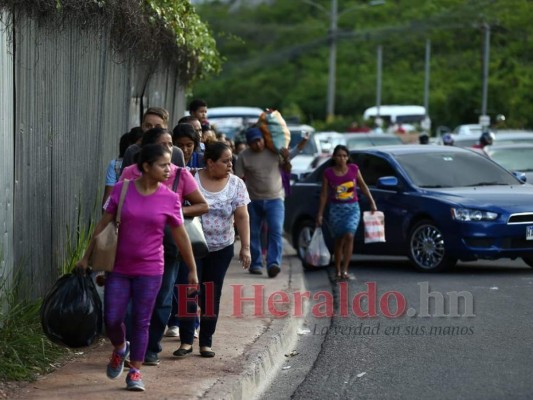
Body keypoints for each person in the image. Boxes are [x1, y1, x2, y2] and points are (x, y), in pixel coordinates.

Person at [76, 144, 199, 392]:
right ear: (146, 166)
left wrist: (192, 269)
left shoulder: (170, 198)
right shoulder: (123, 190)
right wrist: (85, 257)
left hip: (151, 269)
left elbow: (182, 236)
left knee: (142, 321)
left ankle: (135, 371)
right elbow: (103, 224)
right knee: (112, 319)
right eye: (163, 165)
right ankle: (120, 348)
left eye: (170, 165)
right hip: (119, 268)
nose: (169, 169)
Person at [120, 128, 208, 366]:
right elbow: (116, 205)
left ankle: (151, 347)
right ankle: (130, 344)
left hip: (168, 248)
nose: (170, 149)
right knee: (129, 301)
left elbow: (202, 206)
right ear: (147, 151)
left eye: (171, 145)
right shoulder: (130, 173)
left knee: (162, 299)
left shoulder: (181, 175)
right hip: (131, 248)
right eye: (164, 144)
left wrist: (174, 212)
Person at [174, 141, 251, 358]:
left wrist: (245, 247)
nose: (230, 165)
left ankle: (205, 342)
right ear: (209, 162)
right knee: (188, 290)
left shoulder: (236, 184)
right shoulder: (191, 177)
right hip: (191, 245)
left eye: (231, 161)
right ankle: (187, 340)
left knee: (210, 293)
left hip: (222, 248)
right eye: (225, 161)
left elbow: (242, 216)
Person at [234, 127, 291, 278]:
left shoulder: (274, 151)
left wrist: (286, 159)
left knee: (276, 230)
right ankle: (256, 263)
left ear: (264, 139)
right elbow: (237, 180)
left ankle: (273, 263)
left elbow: (286, 169)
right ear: (248, 143)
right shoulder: (243, 156)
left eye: (259, 141)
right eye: (253, 142)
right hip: (253, 200)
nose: (257, 145)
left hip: (275, 198)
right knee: (253, 232)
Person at [317, 145, 377, 280]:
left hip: (352, 208)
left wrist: (372, 202)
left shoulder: (354, 169)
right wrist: (320, 214)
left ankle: (345, 270)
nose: (342, 158)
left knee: (349, 235)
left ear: (348, 157)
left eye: (344, 156)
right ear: (334, 157)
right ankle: (337, 269)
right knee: (339, 240)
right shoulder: (328, 173)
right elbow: (324, 194)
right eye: (339, 155)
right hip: (336, 210)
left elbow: (363, 186)